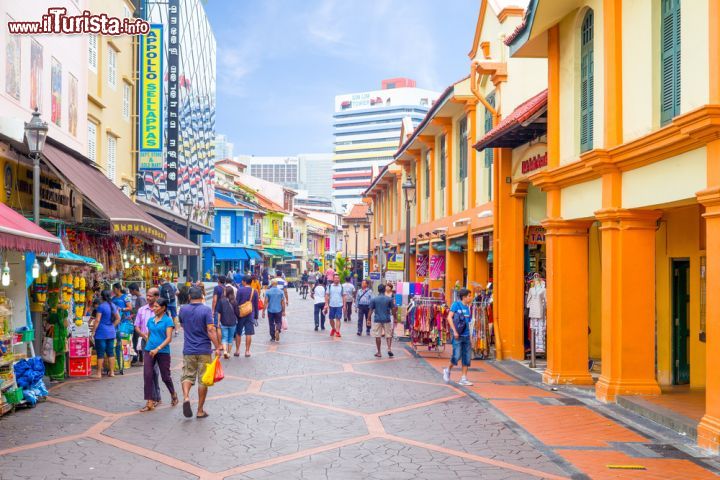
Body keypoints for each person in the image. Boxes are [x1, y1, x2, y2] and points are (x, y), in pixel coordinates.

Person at [179, 286, 222, 419]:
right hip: (203, 349)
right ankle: (200, 410)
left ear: (189, 297)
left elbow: (182, 325)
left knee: (187, 375)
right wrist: (218, 346)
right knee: (203, 380)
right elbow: (210, 329)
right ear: (202, 296)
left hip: (188, 349)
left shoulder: (183, 309)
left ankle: (186, 397)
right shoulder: (206, 310)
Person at [140, 297, 177, 412]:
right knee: (147, 375)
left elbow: (169, 338)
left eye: (157, 307)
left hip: (163, 351)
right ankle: (149, 401)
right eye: (154, 306)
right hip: (149, 350)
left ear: (163, 308)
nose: (154, 308)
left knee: (165, 377)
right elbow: (150, 334)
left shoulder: (168, 321)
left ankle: (173, 393)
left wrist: (158, 348)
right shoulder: (150, 320)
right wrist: (148, 344)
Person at [134, 287, 161, 401]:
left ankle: (156, 396)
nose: (148, 298)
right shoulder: (141, 310)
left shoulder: (160, 310)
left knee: (155, 370)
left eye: (151, 296)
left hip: (158, 343)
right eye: (147, 295)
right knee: (149, 370)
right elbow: (136, 326)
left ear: (156, 297)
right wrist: (143, 335)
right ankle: (154, 398)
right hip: (146, 342)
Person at [443, 288, 474, 386]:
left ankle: (463, 378)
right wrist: (455, 331)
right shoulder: (456, 305)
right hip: (458, 336)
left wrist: (471, 336)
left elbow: (468, 323)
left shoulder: (468, 307)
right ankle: (447, 370)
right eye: (469, 296)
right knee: (456, 356)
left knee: (466, 357)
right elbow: (449, 317)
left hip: (466, 336)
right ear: (464, 297)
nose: (471, 297)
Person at [92, 290, 120, 378]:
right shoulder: (113, 305)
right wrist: (112, 326)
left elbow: (97, 320)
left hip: (101, 333)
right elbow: (118, 318)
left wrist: (93, 331)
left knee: (100, 353)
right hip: (111, 332)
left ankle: (99, 373)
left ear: (102, 297)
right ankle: (112, 372)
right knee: (110, 352)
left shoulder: (101, 307)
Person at [369, 284, 397, 357]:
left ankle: (379, 352)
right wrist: (395, 318)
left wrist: (368, 319)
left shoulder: (374, 299)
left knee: (378, 336)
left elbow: (371, 310)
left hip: (377, 319)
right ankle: (389, 349)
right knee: (388, 335)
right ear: (384, 290)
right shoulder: (389, 299)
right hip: (387, 319)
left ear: (378, 290)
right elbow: (393, 309)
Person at [234, 275, 259, 357]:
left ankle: (237, 351)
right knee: (248, 333)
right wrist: (256, 316)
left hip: (240, 314)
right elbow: (256, 304)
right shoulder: (254, 291)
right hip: (250, 314)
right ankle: (247, 351)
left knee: (238, 333)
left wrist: (235, 314)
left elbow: (236, 303)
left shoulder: (240, 290)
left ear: (244, 281)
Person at [217, 286, 238, 359]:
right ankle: (228, 352)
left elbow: (219, 312)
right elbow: (237, 313)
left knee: (224, 337)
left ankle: (225, 351)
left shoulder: (221, 301)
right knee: (230, 338)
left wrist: (218, 322)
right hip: (232, 322)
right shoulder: (234, 301)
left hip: (224, 321)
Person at [128, 283, 146, 366]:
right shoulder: (139, 298)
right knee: (136, 341)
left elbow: (142, 312)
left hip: (140, 324)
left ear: (134, 290)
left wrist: (133, 315)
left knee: (138, 341)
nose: (130, 292)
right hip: (138, 323)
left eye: (131, 290)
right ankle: (138, 359)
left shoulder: (140, 299)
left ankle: (140, 359)